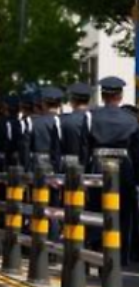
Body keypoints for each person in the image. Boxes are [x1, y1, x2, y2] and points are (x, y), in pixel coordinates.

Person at [84, 76, 139, 264]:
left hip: (98, 165)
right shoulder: (131, 119)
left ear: (102, 94)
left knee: (96, 209)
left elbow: (85, 147)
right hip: (124, 167)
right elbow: (137, 151)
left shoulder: (92, 116)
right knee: (124, 213)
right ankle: (121, 256)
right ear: (120, 95)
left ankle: (97, 252)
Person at [58, 82, 91, 169]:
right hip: (90, 165)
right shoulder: (95, 119)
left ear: (72, 100)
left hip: (68, 164)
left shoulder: (62, 120)